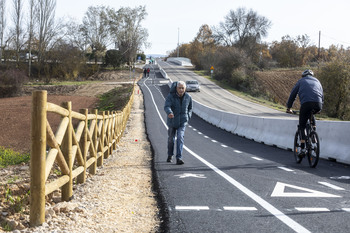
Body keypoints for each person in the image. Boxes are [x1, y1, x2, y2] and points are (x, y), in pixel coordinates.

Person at [286, 69, 324, 156]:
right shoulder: (317, 81)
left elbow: (293, 94)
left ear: (303, 76)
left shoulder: (301, 81)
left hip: (306, 104)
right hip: (318, 104)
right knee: (311, 114)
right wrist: (320, 108)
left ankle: (303, 148)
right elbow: (322, 95)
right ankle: (313, 134)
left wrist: (289, 107)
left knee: (302, 126)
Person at [164, 81, 193, 165]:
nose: (181, 90)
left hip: (182, 122)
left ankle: (179, 158)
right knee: (171, 140)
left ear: (185, 88)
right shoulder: (171, 96)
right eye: (179, 88)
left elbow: (190, 108)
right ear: (176, 88)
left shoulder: (188, 97)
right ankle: (170, 155)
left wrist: (188, 116)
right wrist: (169, 112)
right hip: (172, 122)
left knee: (180, 138)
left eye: (182, 88)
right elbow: (167, 106)